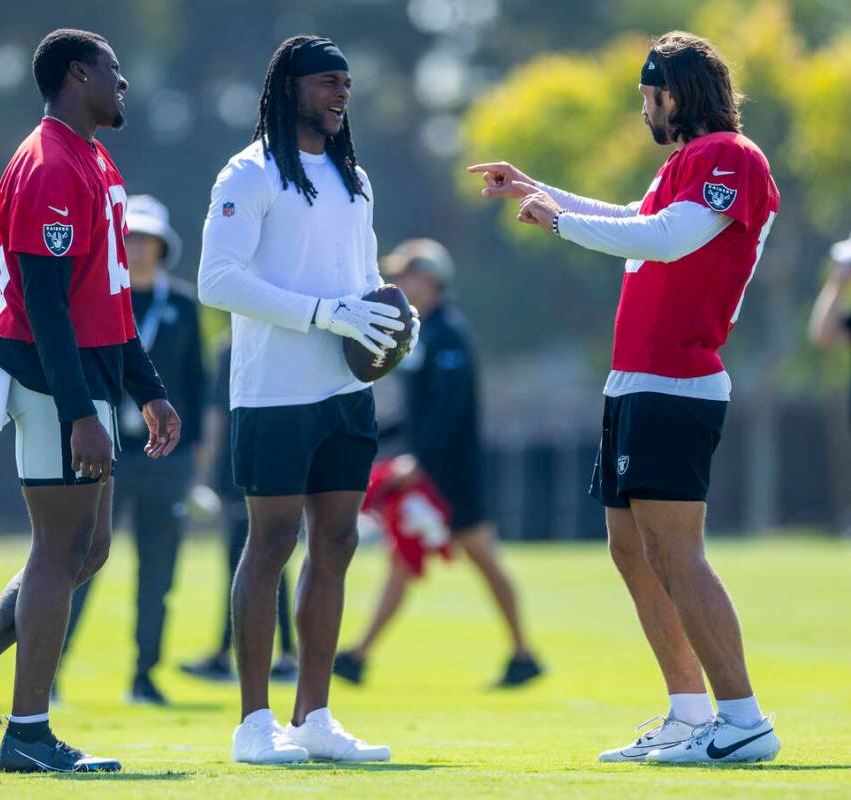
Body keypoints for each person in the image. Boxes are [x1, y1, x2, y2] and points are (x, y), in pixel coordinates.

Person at [469, 31, 782, 764]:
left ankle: (743, 720)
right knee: (631, 549)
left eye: (650, 96)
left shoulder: (730, 156)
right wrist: (536, 189)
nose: (646, 110)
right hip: (637, 380)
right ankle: (687, 711)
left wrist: (558, 222)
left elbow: (669, 239)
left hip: (678, 380)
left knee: (677, 553)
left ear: (678, 95)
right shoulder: (685, 162)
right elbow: (638, 217)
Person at [0, 29, 180, 775]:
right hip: (50, 381)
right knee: (59, 551)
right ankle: (27, 733)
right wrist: (80, 411)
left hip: (85, 379)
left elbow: (108, 298)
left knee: (87, 549)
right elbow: (46, 302)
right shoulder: (51, 161)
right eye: (113, 72)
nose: (123, 85)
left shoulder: (92, 156)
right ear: (77, 74)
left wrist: (146, 389)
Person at [198, 35, 417, 764]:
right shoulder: (249, 173)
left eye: (346, 83)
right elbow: (217, 281)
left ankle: (314, 716)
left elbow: (360, 274)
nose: (341, 94)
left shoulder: (355, 178)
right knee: (271, 544)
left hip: (346, 392)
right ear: (289, 87)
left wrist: (384, 322)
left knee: (339, 542)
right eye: (327, 82)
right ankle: (254, 724)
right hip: (273, 394)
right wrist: (324, 314)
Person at [334, 239, 542, 688]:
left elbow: (450, 411)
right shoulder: (427, 330)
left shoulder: (449, 333)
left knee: (480, 559)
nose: (399, 284)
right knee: (404, 561)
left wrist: (421, 463)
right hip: (432, 471)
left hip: (451, 475)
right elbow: (421, 414)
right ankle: (357, 656)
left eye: (405, 275)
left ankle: (524, 653)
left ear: (428, 278)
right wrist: (376, 437)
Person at [59, 194, 205, 706]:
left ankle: (145, 675)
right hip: (108, 451)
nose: (136, 246)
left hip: (168, 459)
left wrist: (198, 465)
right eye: (128, 237)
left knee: (158, 572)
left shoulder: (183, 305)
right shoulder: (97, 296)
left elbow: (197, 385)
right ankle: (49, 674)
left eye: (145, 238)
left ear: (163, 247)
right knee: (82, 560)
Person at [179, 341, 297, 684]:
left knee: (249, 561)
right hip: (268, 464)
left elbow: (217, 416)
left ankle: (252, 654)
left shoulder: (232, 350)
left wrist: (203, 472)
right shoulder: (276, 347)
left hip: (242, 466)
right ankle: (275, 653)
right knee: (268, 555)